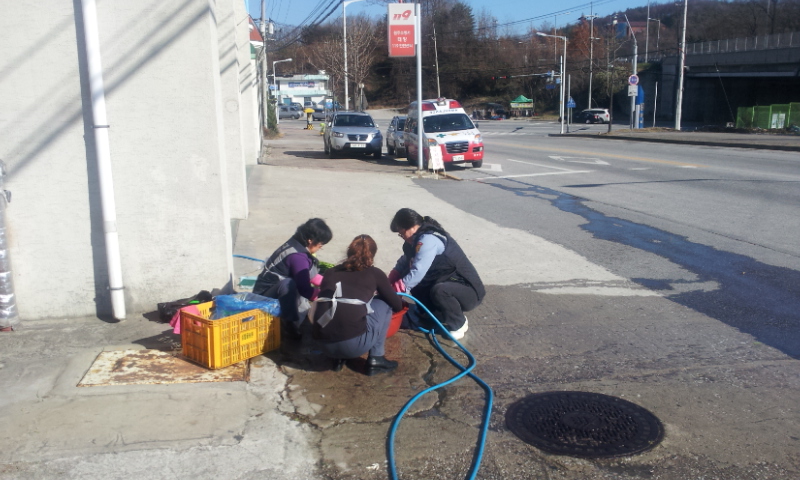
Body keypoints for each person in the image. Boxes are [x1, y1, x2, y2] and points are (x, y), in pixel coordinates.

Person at [311, 235, 404, 375]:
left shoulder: (330, 272)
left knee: (335, 306)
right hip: (353, 347)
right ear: (372, 255)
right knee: (384, 302)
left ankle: (338, 359)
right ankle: (376, 358)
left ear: (349, 252)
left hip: (322, 344)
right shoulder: (375, 273)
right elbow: (397, 305)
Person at [388, 208, 485, 340]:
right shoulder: (413, 241)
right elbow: (405, 260)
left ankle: (459, 323)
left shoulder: (428, 239)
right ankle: (434, 313)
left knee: (439, 290)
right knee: (406, 273)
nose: (402, 237)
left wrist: (397, 290)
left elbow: (418, 270)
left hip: (468, 292)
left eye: (402, 233)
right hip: (446, 280)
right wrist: (394, 275)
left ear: (411, 227)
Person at [253, 218, 333, 339]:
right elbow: (305, 290)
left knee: (294, 287)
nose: (320, 248)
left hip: (272, 290)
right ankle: (289, 325)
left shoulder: (296, 243)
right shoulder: (297, 256)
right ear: (310, 241)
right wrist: (327, 297)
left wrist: (330, 284)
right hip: (263, 297)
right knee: (288, 284)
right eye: (320, 245)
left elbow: (311, 276)